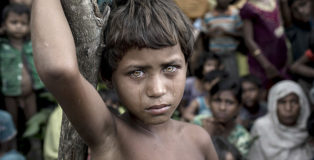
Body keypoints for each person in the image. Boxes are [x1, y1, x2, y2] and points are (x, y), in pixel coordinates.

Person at [31, 0, 219, 159]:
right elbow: (59, 71)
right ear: (108, 77)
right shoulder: (110, 135)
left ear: (187, 65)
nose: (157, 90)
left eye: (170, 68)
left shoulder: (199, 139)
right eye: (137, 73)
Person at [0, 4, 44, 129]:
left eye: (23, 23)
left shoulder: (32, 44)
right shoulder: (3, 46)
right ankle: (12, 146)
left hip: (30, 93)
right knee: (10, 120)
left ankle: (35, 145)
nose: (19, 26)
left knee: (32, 120)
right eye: (14, 22)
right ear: (4, 24)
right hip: (10, 93)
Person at [248, 80, 314, 160]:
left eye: (293, 102)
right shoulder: (262, 128)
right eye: (282, 102)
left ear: (301, 104)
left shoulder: (309, 128)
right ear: (273, 105)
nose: (288, 108)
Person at [240, 0, 288, 89]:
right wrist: (266, 65)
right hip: (262, 61)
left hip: (279, 57)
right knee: (263, 90)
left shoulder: (275, 2)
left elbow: (283, 23)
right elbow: (248, 40)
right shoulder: (249, 7)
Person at [201, 79, 252, 157]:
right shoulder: (198, 123)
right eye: (217, 100)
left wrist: (208, 137)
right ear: (209, 102)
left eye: (229, 102)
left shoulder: (243, 138)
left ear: (239, 107)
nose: (222, 107)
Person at [204, 0, 242, 79]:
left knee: (232, 79)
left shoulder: (235, 14)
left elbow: (242, 35)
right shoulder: (208, 16)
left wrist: (226, 33)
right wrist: (210, 33)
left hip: (230, 54)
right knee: (216, 80)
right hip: (215, 56)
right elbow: (204, 37)